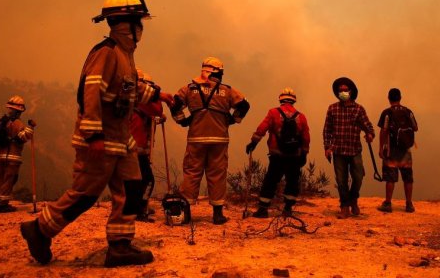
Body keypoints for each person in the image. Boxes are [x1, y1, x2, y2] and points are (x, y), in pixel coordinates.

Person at [20, 0, 173, 267]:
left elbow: (125, 89)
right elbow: (90, 92)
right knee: (85, 194)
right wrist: (93, 136)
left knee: (132, 189)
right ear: (126, 23)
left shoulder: (126, 55)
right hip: (101, 138)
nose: (141, 29)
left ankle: (120, 247)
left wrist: (157, 95)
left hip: (121, 139)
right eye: (139, 22)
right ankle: (40, 229)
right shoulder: (106, 53)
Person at [170, 56, 250, 224]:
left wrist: (182, 120)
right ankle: (218, 214)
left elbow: (174, 103)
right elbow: (244, 106)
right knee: (217, 174)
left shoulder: (189, 89)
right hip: (219, 140)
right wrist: (232, 120)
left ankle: (185, 213)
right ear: (218, 73)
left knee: (192, 173)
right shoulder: (227, 90)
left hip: (196, 139)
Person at [246, 87, 310, 218]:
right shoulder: (301, 116)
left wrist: (253, 143)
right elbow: (306, 137)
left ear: (280, 99)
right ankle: (287, 209)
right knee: (292, 181)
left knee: (271, 181)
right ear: (294, 100)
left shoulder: (273, 113)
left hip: (277, 155)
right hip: (295, 156)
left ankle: (263, 209)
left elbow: (262, 128)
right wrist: (304, 153)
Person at [323, 77, 375, 219]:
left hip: (354, 150)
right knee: (341, 181)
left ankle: (353, 199)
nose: (343, 92)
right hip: (338, 150)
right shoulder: (332, 108)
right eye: (340, 91)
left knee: (358, 177)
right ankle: (344, 206)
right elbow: (327, 130)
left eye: (345, 90)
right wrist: (327, 147)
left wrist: (370, 134)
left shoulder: (359, 109)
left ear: (351, 91)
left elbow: (369, 127)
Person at [131, 69, 165, 221]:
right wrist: (156, 96)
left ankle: (135, 207)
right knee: (147, 180)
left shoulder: (130, 100)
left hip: (128, 148)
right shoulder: (141, 100)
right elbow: (157, 109)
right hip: (136, 149)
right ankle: (140, 210)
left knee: (132, 180)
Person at [377, 88, 419, 213]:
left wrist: (381, 148)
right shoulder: (408, 111)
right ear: (400, 97)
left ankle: (388, 203)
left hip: (391, 149)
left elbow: (383, 131)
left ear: (388, 98)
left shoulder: (387, 113)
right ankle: (409, 204)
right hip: (406, 150)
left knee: (390, 178)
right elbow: (415, 128)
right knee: (408, 177)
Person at [0, 95, 35, 213]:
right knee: (9, 180)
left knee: (2, 179)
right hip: (12, 157)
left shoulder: (3, 121)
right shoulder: (17, 123)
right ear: (19, 111)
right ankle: (3, 205)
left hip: (0, 157)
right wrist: (31, 127)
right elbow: (23, 137)